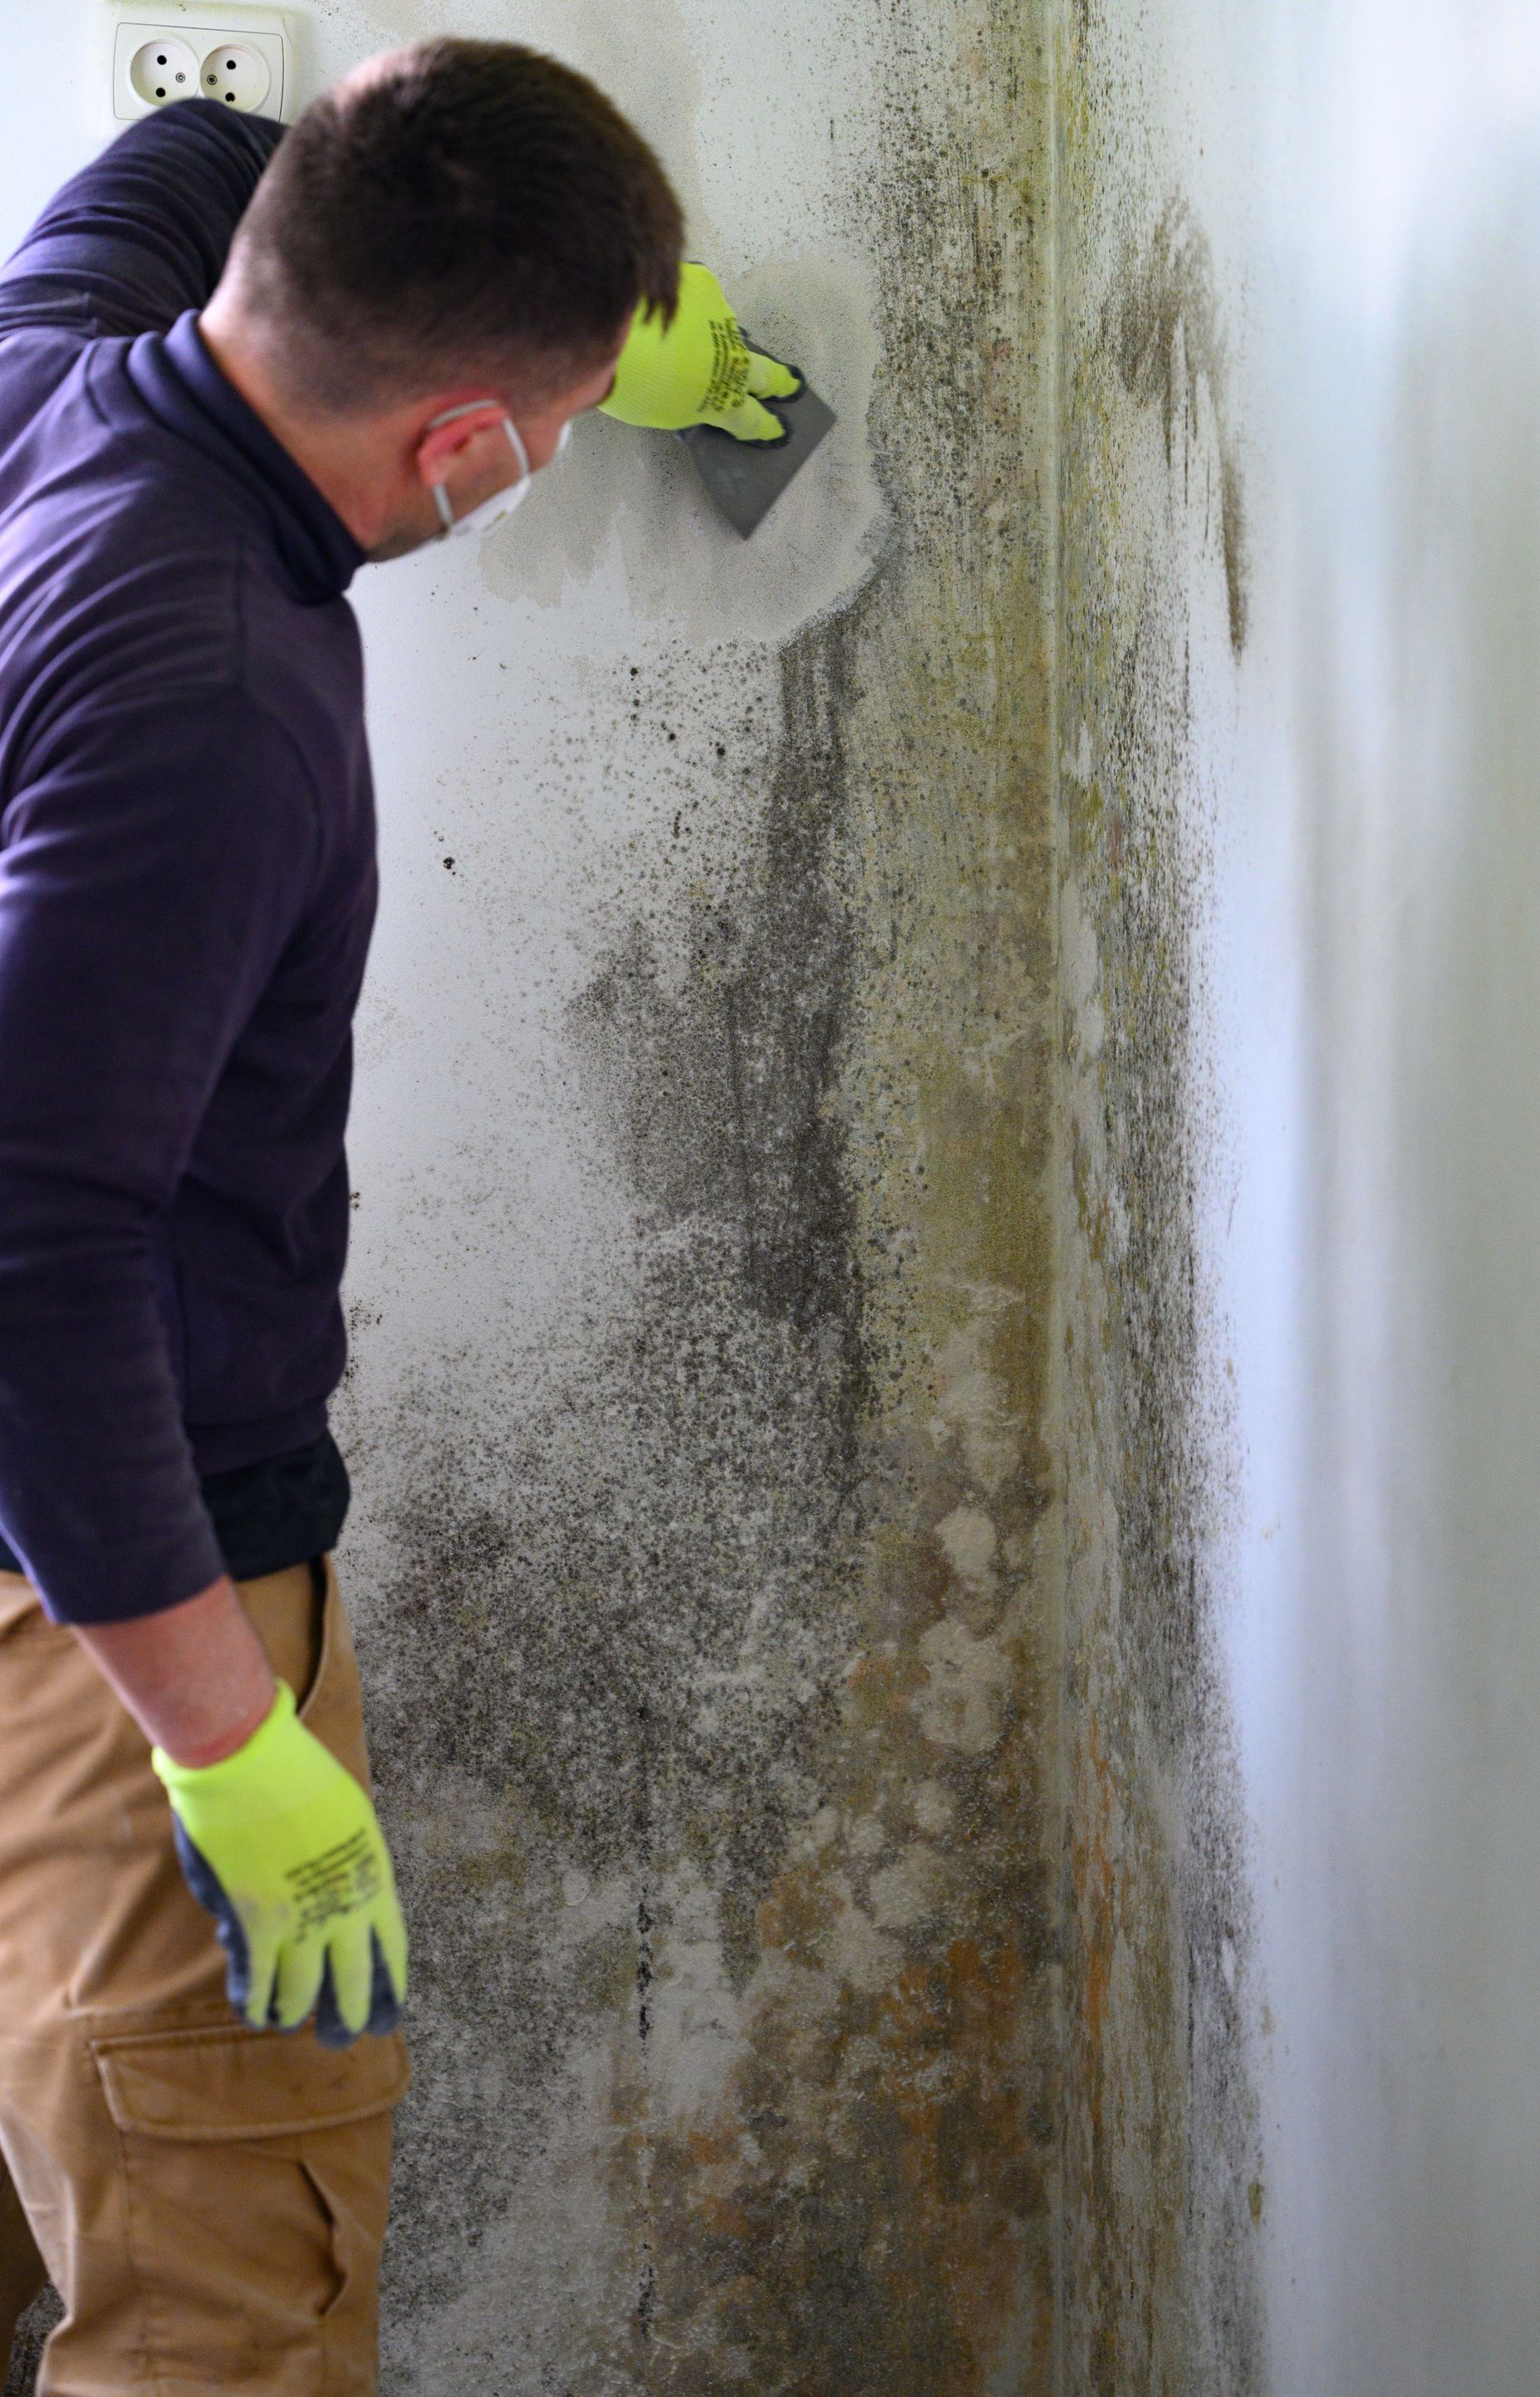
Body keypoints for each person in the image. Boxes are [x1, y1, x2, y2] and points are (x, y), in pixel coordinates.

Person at [0, 37, 802, 2393]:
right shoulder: (226, 689)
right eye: (536, 438)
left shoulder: (55, 370)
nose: (535, 473)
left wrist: (626, 316)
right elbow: (35, 1246)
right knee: (219, 2316)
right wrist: (226, 1746)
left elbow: (185, 156)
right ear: (461, 446)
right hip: (111, 1607)